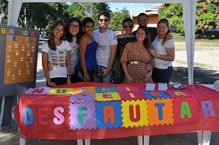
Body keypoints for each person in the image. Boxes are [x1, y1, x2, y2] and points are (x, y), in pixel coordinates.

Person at [42, 21, 71, 87]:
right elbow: (44, 65)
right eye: (57, 29)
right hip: (52, 77)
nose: (59, 32)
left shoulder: (66, 44)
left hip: (64, 77)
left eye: (61, 30)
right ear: (53, 30)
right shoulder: (46, 45)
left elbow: (68, 63)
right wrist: (48, 81)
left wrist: (68, 78)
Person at [93, 11, 118, 83]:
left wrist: (108, 69)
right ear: (98, 21)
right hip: (95, 66)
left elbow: (113, 53)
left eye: (106, 20)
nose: (103, 22)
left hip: (106, 66)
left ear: (109, 21)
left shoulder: (111, 34)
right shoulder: (94, 33)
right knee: (95, 90)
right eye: (101, 20)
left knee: (106, 91)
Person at [150, 18, 175, 83]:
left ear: (167, 28)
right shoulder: (157, 36)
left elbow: (171, 57)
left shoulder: (168, 39)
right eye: (159, 27)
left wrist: (156, 55)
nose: (161, 29)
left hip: (163, 70)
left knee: (162, 90)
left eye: (163, 27)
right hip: (155, 68)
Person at [112, 17, 135, 84]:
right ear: (122, 27)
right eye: (125, 26)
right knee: (118, 83)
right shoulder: (117, 37)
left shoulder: (135, 38)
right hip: (118, 64)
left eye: (130, 26)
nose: (128, 28)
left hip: (130, 63)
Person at [77, 17, 98, 82]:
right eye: (87, 27)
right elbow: (81, 56)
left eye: (92, 26)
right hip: (85, 68)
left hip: (92, 66)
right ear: (83, 28)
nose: (90, 29)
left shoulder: (90, 36)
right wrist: (85, 73)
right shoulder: (84, 38)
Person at [65, 17, 83, 83]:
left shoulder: (80, 38)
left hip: (77, 71)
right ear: (68, 26)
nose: (74, 28)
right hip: (64, 72)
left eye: (77, 26)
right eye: (72, 25)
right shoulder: (63, 38)